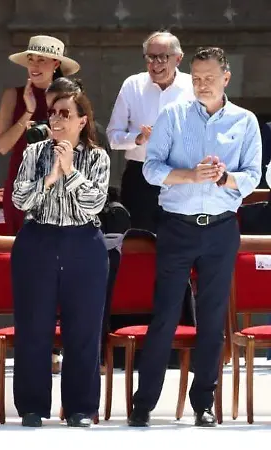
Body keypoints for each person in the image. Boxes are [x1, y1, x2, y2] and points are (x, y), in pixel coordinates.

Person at [129, 47, 262, 428]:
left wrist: (223, 178)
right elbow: (151, 169)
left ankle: (203, 401)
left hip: (221, 227)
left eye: (210, 78)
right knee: (165, 315)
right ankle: (144, 402)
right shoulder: (172, 115)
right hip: (177, 226)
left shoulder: (245, 120)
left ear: (226, 78)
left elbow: (253, 175)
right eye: (197, 78)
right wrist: (191, 175)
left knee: (212, 317)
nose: (202, 85)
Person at [10, 87, 111, 428]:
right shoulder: (34, 152)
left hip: (83, 243)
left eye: (65, 114)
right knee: (33, 327)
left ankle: (81, 407)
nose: (56, 119)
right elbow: (20, 200)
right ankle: (32, 406)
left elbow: (94, 204)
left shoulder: (98, 157)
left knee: (82, 330)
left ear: (83, 120)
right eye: (53, 113)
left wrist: (70, 172)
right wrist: (50, 177)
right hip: (38, 239)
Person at [106, 31, 194, 232]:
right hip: (140, 177)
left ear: (178, 59)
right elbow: (112, 136)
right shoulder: (132, 85)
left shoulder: (193, 86)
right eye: (150, 57)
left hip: (180, 175)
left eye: (163, 57)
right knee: (139, 242)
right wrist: (138, 138)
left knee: (179, 241)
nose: (156, 63)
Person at [0, 35, 80, 237]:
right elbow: (2, 146)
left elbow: (81, 144)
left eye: (42, 59)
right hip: (21, 184)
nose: (35, 65)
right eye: (31, 59)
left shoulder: (70, 99)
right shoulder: (13, 95)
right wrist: (28, 111)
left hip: (59, 185)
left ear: (56, 64)